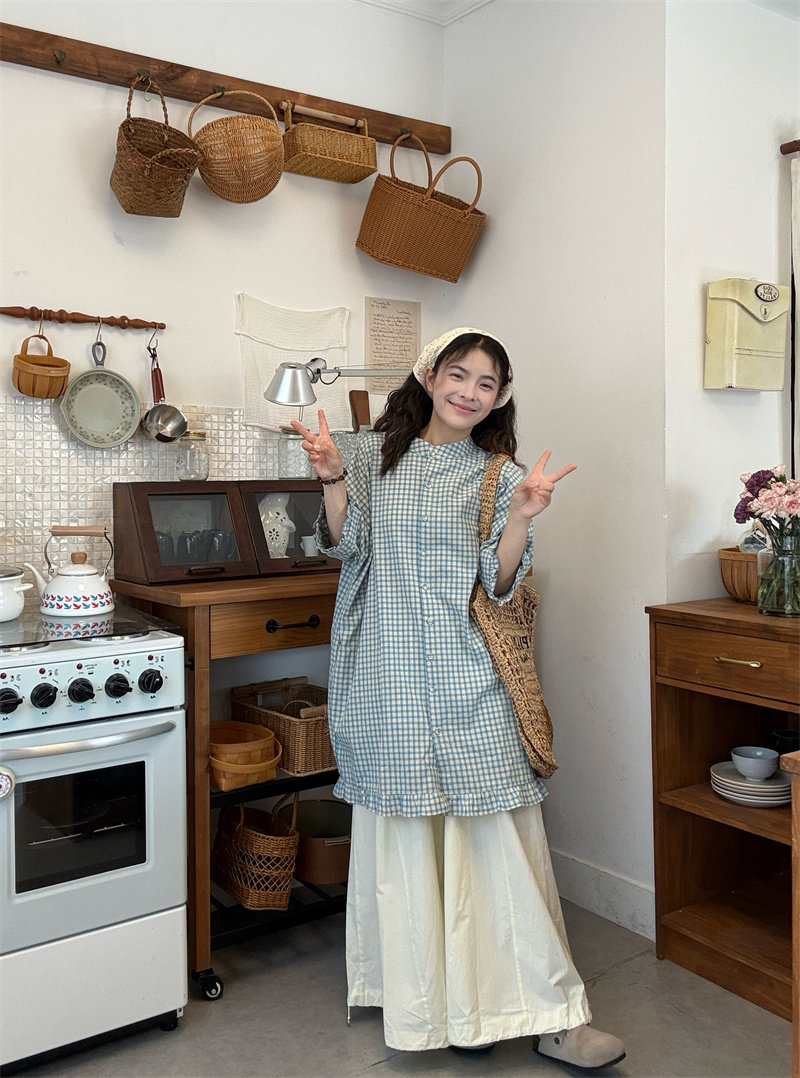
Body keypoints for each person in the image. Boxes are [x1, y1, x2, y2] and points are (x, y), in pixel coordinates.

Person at [290, 328, 625, 1070]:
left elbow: (500, 585)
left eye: (487, 382)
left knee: (496, 841)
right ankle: (435, 1009)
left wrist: (523, 516)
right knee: (406, 840)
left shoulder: (500, 475)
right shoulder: (371, 458)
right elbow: (348, 547)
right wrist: (331, 478)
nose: (470, 391)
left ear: (499, 398)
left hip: (469, 672)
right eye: (459, 374)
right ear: (429, 375)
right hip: (385, 675)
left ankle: (552, 1015)